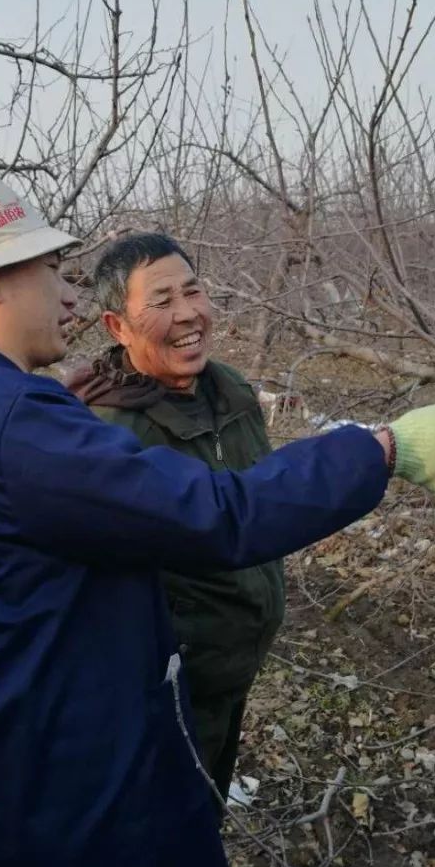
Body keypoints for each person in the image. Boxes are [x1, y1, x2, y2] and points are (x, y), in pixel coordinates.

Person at [0, 170, 435, 867]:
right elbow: (216, 513)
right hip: (68, 799)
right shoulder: (11, 421)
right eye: (50, 271)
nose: (68, 295)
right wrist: (382, 449)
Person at [66, 231, 284, 811]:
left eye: (193, 291)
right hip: (164, 689)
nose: (188, 313)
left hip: (233, 666)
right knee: (166, 826)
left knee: (205, 803)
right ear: (118, 327)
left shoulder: (229, 388)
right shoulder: (107, 433)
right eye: (161, 302)